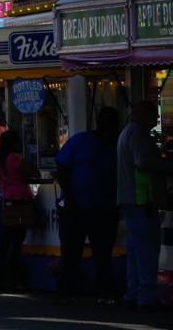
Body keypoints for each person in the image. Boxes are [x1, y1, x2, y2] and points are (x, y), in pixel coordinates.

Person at [54, 106, 118, 302]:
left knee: (103, 254)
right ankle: (67, 291)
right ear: (98, 122)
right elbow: (61, 168)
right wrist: (70, 197)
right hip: (76, 207)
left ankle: (104, 291)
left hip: (104, 208)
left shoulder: (115, 144)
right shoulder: (80, 141)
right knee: (71, 252)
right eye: (105, 121)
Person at [117, 100, 173, 310]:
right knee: (147, 251)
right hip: (142, 199)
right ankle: (146, 296)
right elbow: (143, 162)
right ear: (141, 115)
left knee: (135, 251)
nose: (157, 119)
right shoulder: (138, 134)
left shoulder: (127, 132)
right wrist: (168, 167)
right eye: (152, 114)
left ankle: (133, 293)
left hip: (131, 200)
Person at [0, 129, 39, 291]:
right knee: (16, 242)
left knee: (5, 242)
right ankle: (13, 278)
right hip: (19, 204)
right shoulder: (13, 159)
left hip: (6, 202)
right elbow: (32, 170)